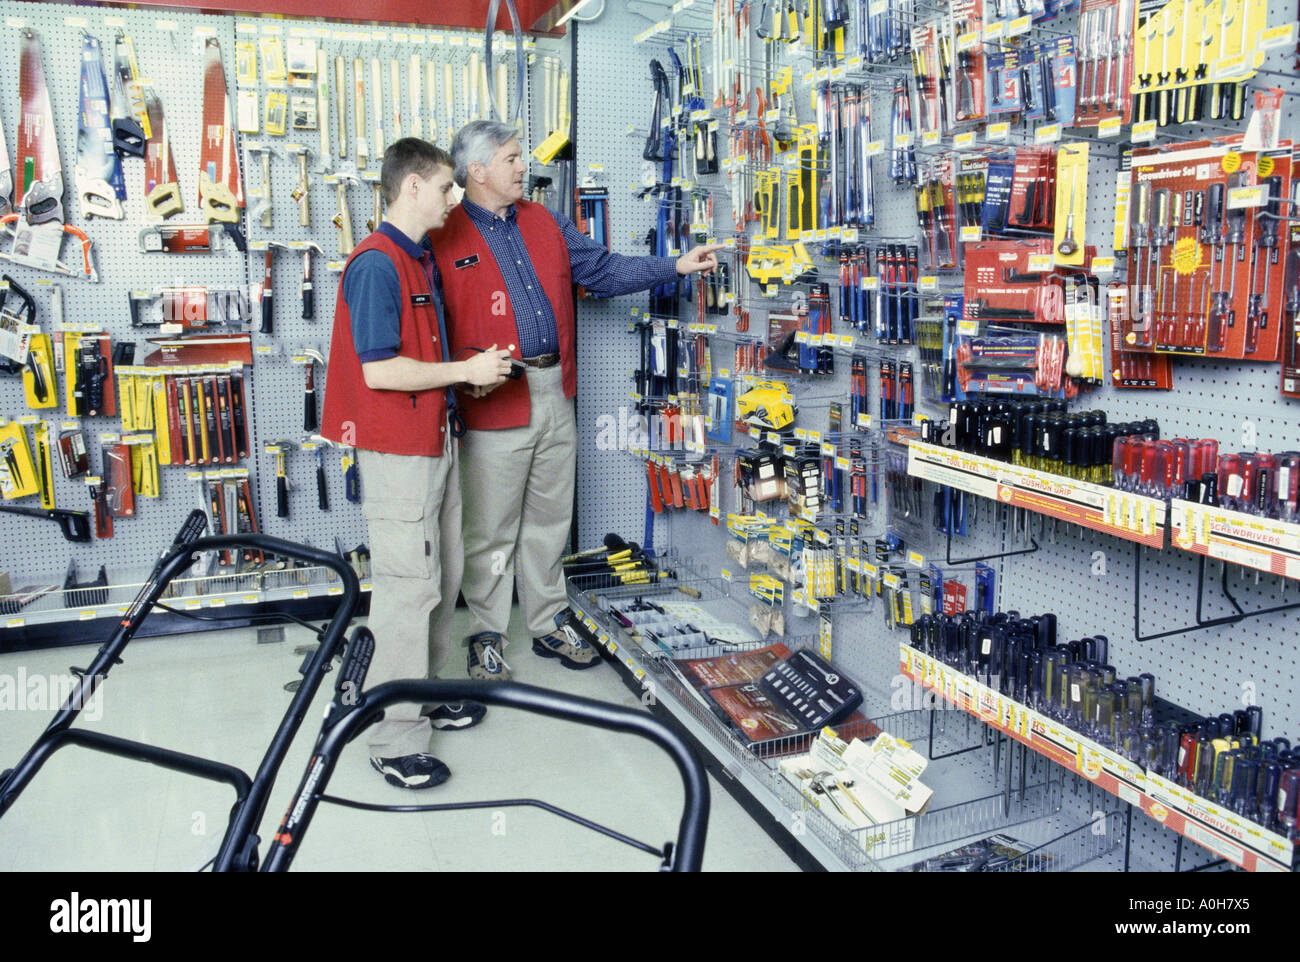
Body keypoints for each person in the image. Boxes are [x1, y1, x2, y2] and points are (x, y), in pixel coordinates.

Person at [431, 119, 722, 682]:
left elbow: (604, 269)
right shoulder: (443, 232)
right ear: (478, 171)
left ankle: (545, 621)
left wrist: (675, 266)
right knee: (489, 530)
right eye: (513, 158)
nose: (524, 167)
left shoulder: (545, 221)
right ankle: (486, 631)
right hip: (492, 400)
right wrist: (456, 381)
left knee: (548, 521)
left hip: (553, 391)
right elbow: (426, 323)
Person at [321, 138, 514, 789]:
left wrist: (467, 381)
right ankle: (394, 740)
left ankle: (425, 695)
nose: (453, 198)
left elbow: (417, 362)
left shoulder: (416, 259)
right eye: (444, 187)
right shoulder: (376, 265)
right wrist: (463, 369)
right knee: (407, 593)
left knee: (444, 574)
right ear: (411, 188)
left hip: (435, 440)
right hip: (398, 455)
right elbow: (378, 370)